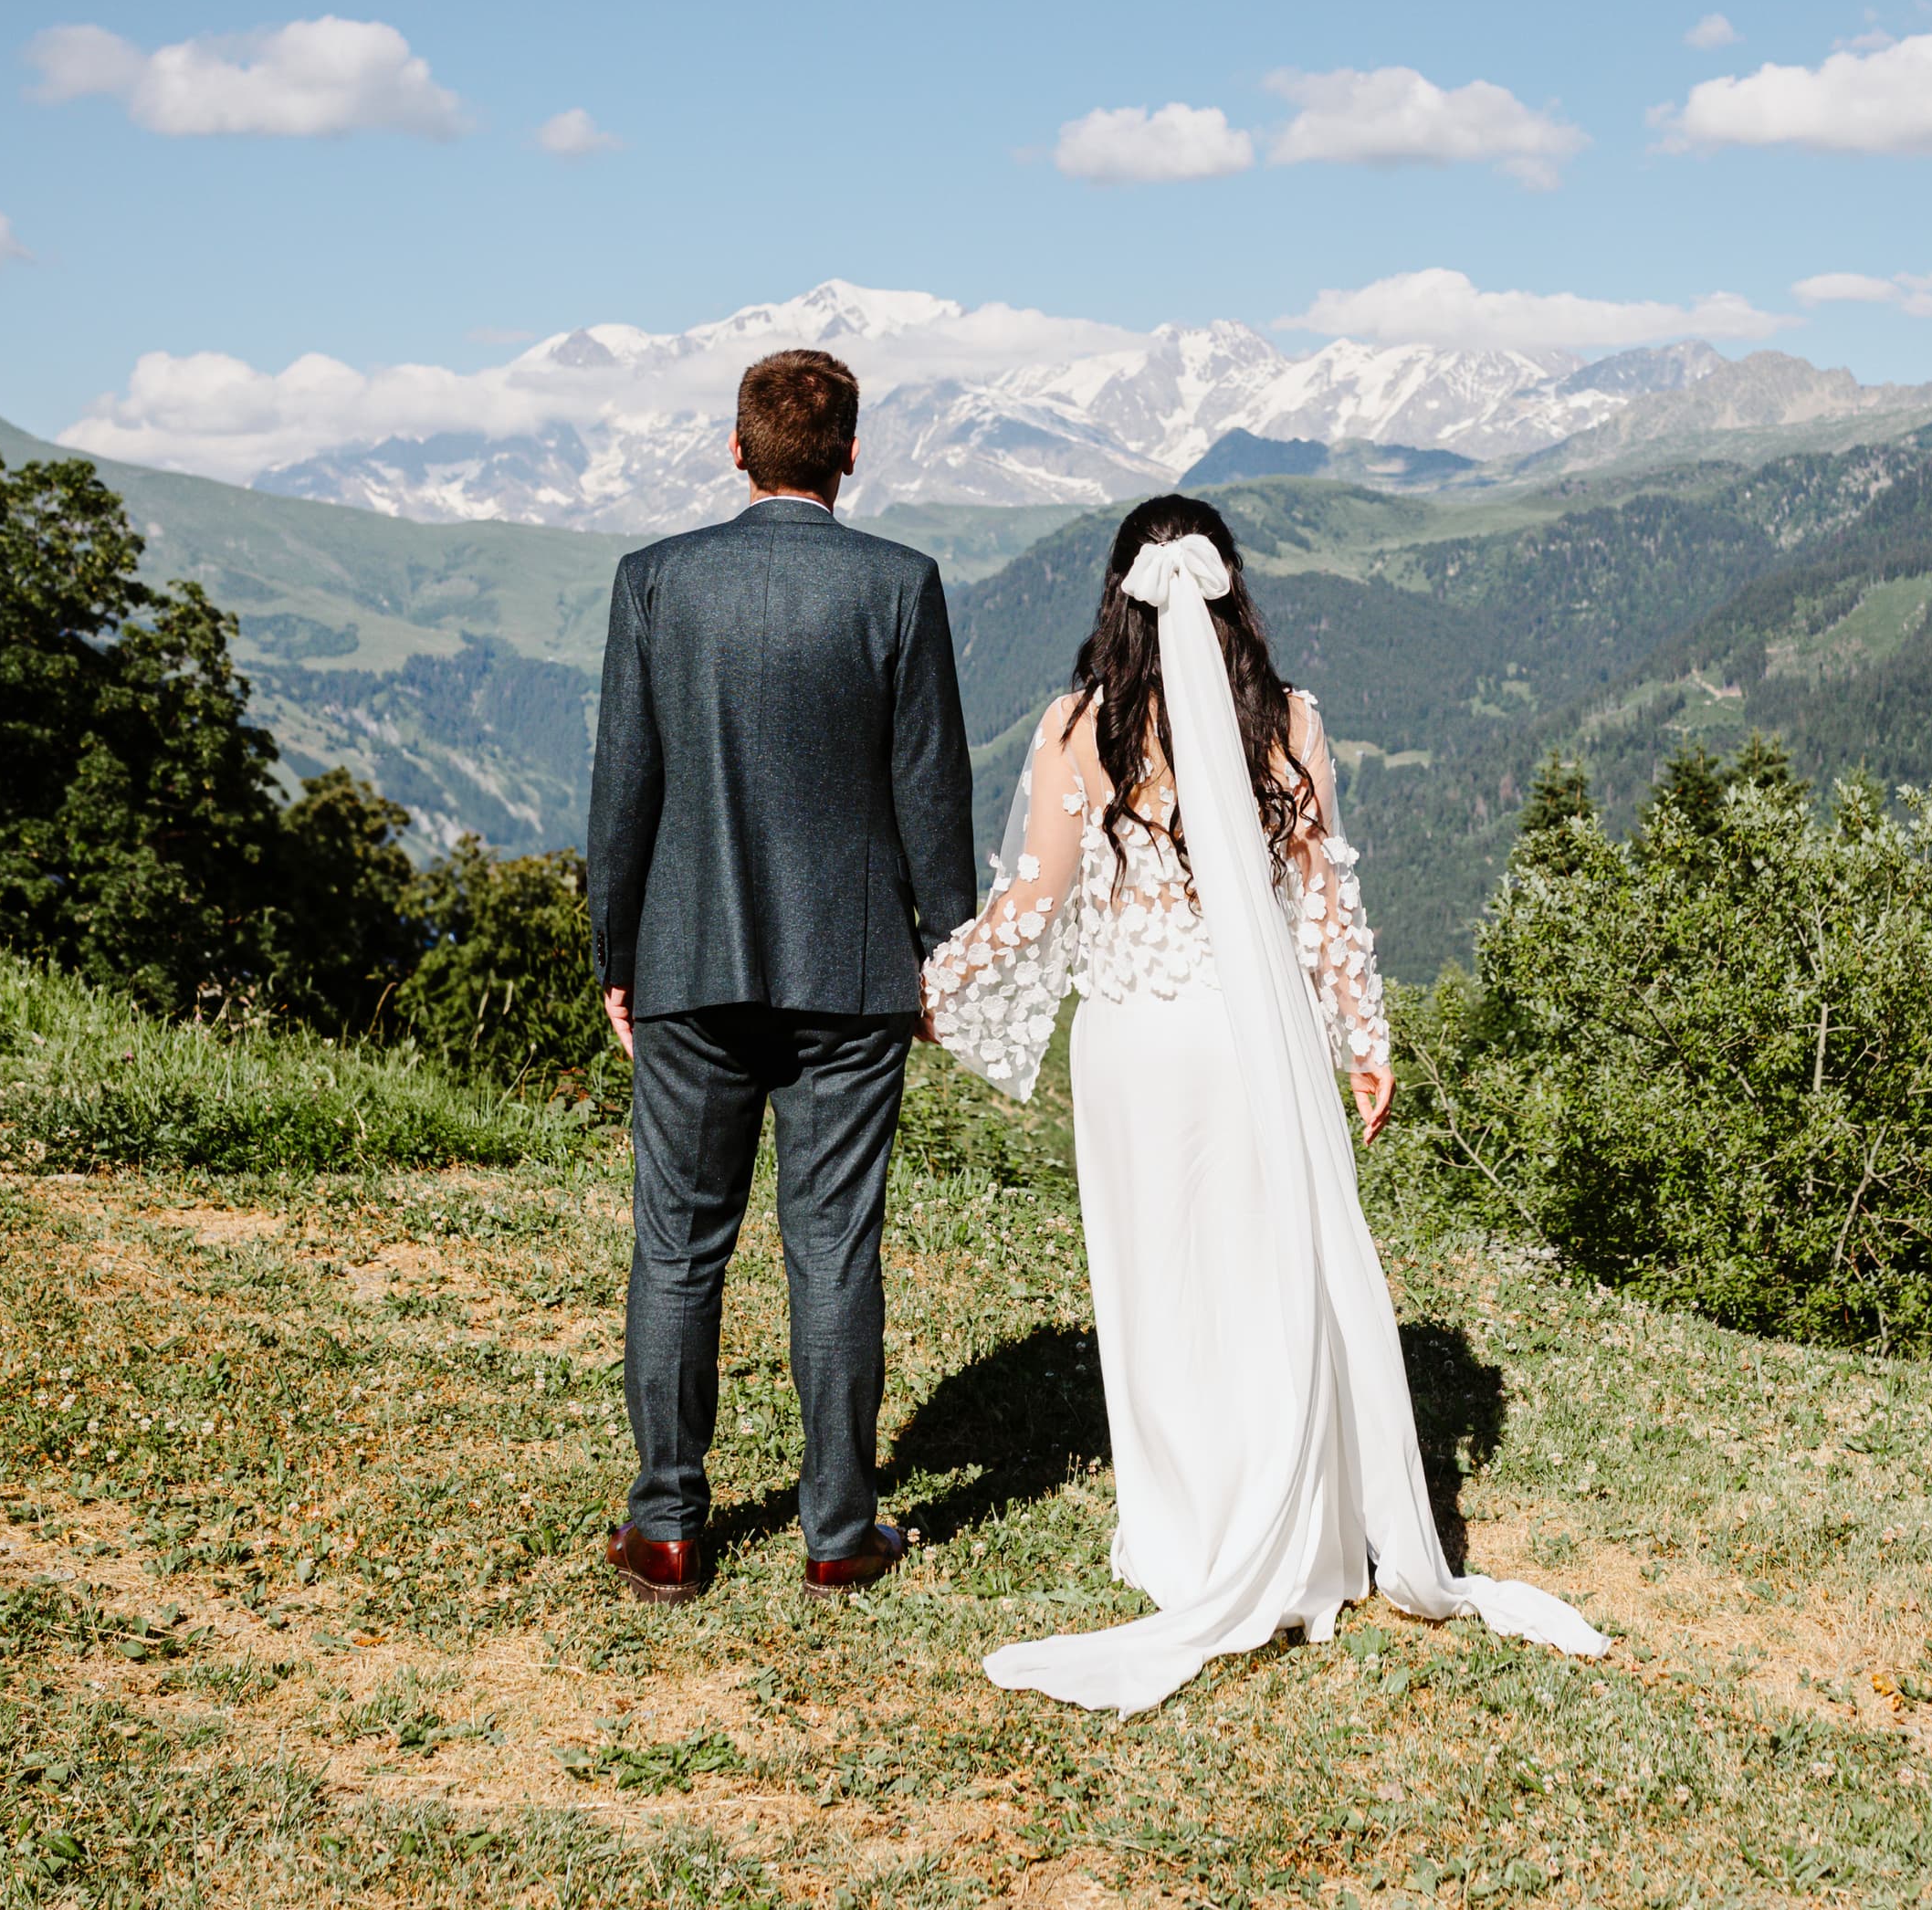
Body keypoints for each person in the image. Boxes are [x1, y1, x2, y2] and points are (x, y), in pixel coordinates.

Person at [922, 495, 1611, 1712]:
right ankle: (1291, 1533)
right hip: (1254, 1045)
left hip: (1136, 1049)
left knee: (1159, 1285)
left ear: (1118, 599)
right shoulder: (1288, 724)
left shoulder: (1080, 727)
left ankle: (1187, 1536)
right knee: (1265, 1276)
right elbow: (1327, 899)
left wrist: (933, 990)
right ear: (1233, 590)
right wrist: (1365, 1037)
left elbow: (1031, 902)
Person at [586, 347, 978, 1604]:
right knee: (833, 1249)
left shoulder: (655, 583)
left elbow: (623, 788)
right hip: (852, 969)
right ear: (852, 455)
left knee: (678, 1247)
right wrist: (948, 951)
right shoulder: (901, 586)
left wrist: (615, 955)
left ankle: (666, 1527)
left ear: (735, 446)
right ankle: (838, 1531)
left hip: (686, 962)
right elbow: (932, 791)